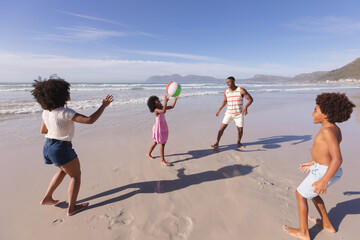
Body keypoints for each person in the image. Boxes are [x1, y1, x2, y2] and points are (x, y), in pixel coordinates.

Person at [31, 76, 113, 216]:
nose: (69, 93)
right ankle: (72, 208)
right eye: (67, 91)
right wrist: (103, 106)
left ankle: (47, 197)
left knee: (63, 170)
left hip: (48, 146)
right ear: (60, 95)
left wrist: (57, 128)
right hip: (61, 148)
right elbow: (89, 120)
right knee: (76, 176)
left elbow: (43, 130)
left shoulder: (46, 112)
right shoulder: (65, 112)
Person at [283, 92, 355, 240]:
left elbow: (337, 159)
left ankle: (303, 232)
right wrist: (314, 162)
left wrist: (323, 180)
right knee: (313, 194)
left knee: (300, 194)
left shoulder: (328, 131)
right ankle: (327, 224)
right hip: (323, 168)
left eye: (316, 110)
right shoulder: (334, 129)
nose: (312, 113)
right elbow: (326, 153)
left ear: (327, 114)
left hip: (325, 171)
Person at [211, 76, 253, 148]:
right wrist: (219, 110)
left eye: (229, 82)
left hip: (239, 114)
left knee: (240, 130)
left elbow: (250, 99)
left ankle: (239, 143)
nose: (228, 84)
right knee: (221, 128)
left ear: (234, 81)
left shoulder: (241, 90)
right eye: (227, 82)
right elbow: (224, 102)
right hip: (229, 113)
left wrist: (245, 107)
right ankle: (217, 142)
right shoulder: (226, 92)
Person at [146, 95, 178, 166]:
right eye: (157, 101)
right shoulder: (156, 110)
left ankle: (148, 153)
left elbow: (172, 106)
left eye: (158, 100)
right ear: (154, 104)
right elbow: (163, 111)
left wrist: (175, 99)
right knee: (162, 143)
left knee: (155, 142)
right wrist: (166, 102)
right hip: (159, 128)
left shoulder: (161, 107)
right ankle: (162, 160)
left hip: (163, 127)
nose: (159, 101)